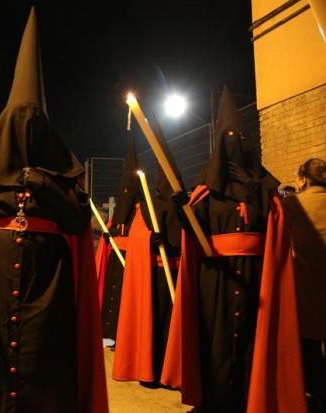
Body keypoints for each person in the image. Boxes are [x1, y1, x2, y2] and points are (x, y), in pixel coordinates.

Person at [0, 9, 108, 413]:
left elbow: (78, 222)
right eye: (19, 122)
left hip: (50, 283)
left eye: (35, 122)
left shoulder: (64, 179)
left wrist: (43, 181)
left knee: (47, 355)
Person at [161, 87, 306, 412]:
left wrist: (256, 188)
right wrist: (180, 210)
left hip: (257, 277)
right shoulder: (206, 192)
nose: (234, 144)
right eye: (227, 138)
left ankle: (250, 398)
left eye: (239, 137)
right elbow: (194, 236)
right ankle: (213, 400)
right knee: (214, 338)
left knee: (254, 338)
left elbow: (281, 215)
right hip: (215, 277)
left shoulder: (266, 189)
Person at [112, 162, 181, 387]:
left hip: (180, 272)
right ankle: (151, 370)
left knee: (175, 324)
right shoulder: (148, 207)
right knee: (154, 322)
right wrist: (148, 240)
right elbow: (137, 236)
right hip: (154, 275)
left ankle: (174, 373)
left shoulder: (184, 206)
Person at [283, 158, 326, 411]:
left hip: (306, 284)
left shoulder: (292, 204)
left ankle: (315, 396)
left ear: (303, 179)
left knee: (308, 345)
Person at [95, 140, 140, 348]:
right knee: (111, 296)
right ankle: (108, 334)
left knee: (125, 299)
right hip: (116, 260)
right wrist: (109, 236)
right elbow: (114, 228)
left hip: (133, 263)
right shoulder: (119, 210)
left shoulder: (142, 210)